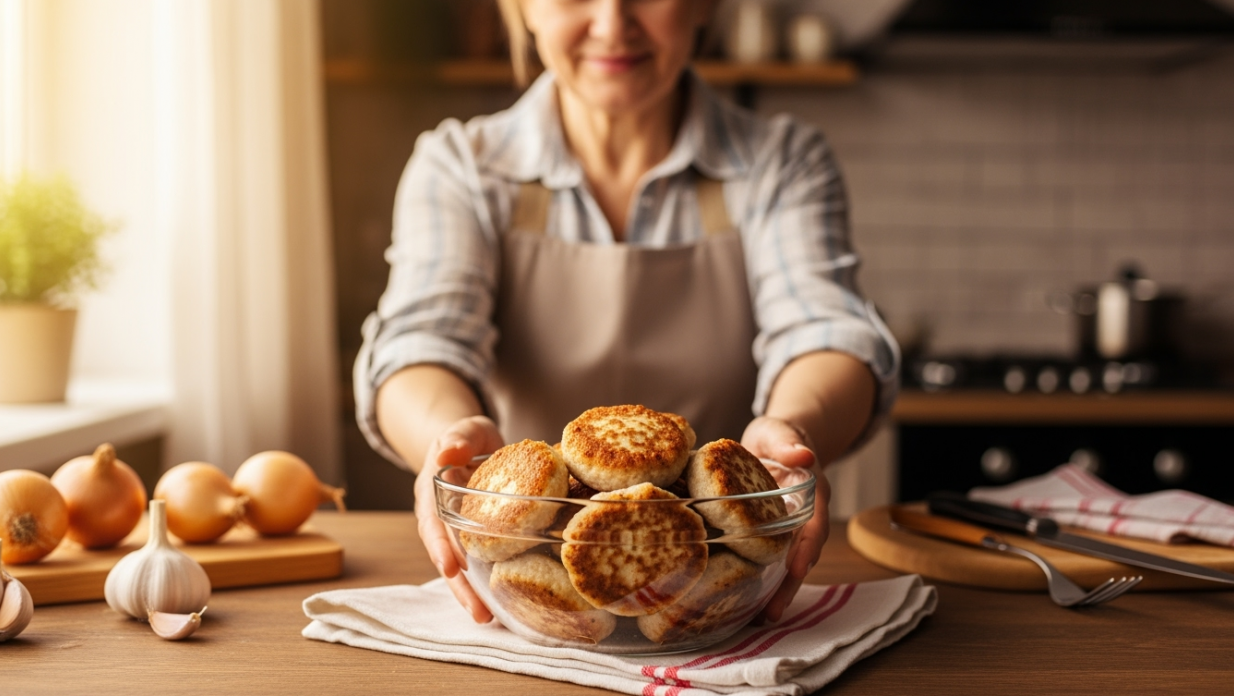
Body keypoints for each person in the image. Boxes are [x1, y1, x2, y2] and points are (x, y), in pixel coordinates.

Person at [353, 0, 899, 625]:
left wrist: (792, 432)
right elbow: (418, 345)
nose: (613, 23)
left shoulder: (781, 163)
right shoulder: (462, 168)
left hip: (714, 584)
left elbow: (825, 331)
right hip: (536, 576)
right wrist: (448, 443)